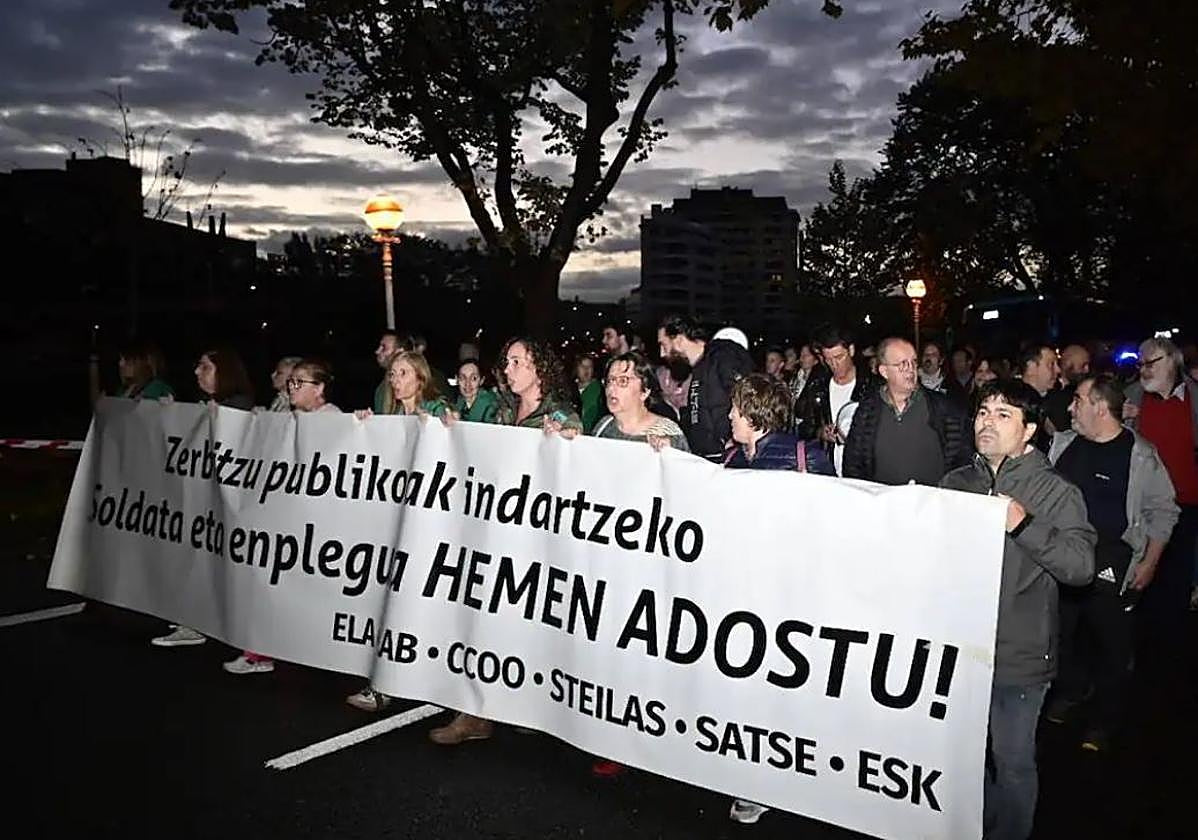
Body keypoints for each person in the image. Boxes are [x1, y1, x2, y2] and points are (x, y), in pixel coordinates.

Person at [940, 380, 1096, 840]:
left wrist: (1022, 524)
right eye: (983, 411)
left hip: (1018, 655)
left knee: (1012, 763)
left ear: (1028, 430)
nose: (987, 421)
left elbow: (1081, 567)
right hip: (961, 651)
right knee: (964, 759)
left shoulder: (1056, 493)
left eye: (1003, 414)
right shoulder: (956, 482)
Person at [427, 336, 583, 745]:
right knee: (483, 617)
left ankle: (525, 702)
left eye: (517, 362)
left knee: (524, 623)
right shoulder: (502, 410)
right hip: (494, 531)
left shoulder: (560, 413)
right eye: (507, 362)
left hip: (535, 540)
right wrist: (449, 425)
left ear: (539, 368)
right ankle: (474, 712)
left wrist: (567, 440)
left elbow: (578, 458)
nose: (508, 369)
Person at [721, 373, 833, 825]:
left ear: (755, 415)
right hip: (742, 593)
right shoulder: (732, 459)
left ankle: (771, 782)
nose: (728, 415)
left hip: (790, 597)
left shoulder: (808, 458)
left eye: (735, 409)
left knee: (777, 694)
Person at [1045, 374, 1177, 751]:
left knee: (1112, 644)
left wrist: (1150, 563)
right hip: (1065, 554)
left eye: (1078, 400)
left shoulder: (1140, 455)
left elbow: (1164, 511)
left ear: (1101, 407)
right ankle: (1073, 687)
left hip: (1113, 559)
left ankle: (1105, 719)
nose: (1071, 408)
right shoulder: (1064, 445)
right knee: (1056, 634)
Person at [225, 358, 341, 676]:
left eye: (299, 382)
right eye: (291, 381)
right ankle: (259, 651)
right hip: (284, 521)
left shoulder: (333, 420)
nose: (292, 387)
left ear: (319, 389)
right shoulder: (287, 418)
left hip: (313, 525)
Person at [151, 346, 254, 648]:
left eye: (206, 367)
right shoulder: (214, 404)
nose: (198, 372)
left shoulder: (239, 406)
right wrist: (177, 416)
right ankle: (194, 620)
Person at [1123, 337, 1198, 634]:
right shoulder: (1130, 399)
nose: (1144, 370)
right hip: (1145, 507)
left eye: (1150, 363)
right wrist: (1122, 418)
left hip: (1188, 504)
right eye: (1140, 364)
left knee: (1176, 582)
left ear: (1173, 360)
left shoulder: (1194, 398)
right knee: (1141, 577)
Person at [842, 337, 971, 486]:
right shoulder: (867, 411)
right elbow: (853, 463)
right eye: (902, 364)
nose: (910, 369)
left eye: (914, 362)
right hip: (884, 504)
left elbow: (962, 460)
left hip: (932, 503)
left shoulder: (943, 407)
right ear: (884, 371)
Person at [657, 315, 753, 461]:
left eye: (664, 345)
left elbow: (749, 398)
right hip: (708, 462)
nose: (662, 353)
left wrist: (735, 443)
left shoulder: (723, 356)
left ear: (679, 340)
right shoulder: (699, 369)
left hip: (728, 462)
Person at [794, 325, 871, 472]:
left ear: (852, 350)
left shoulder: (871, 386)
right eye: (829, 360)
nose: (834, 364)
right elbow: (803, 427)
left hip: (861, 471)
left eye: (839, 357)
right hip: (826, 469)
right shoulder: (818, 387)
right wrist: (820, 432)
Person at [591, 353, 688, 451]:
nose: (611, 388)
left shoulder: (666, 432)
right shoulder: (604, 425)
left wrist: (669, 449)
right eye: (610, 380)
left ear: (644, 392)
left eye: (623, 381)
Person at [1042, 344, 1091, 435]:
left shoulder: (1086, 391)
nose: (1087, 370)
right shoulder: (1048, 389)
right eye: (1083, 365)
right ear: (1068, 364)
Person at [372, 331, 409, 414]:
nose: (377, 351)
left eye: (384, 348)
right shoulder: (381, 389)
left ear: (399, 351)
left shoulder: (416, 384)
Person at [453, 359, 498, 423]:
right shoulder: (458, 402)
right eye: (462, 378)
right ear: (457, 379)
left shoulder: (491, 404)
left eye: (474, 378)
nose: (467, 384)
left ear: (481, 380)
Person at [575, 354, 605, 433]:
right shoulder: (569, 389)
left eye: (590, 366)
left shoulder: (600, 391)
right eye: (582, 366)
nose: (586, 369)